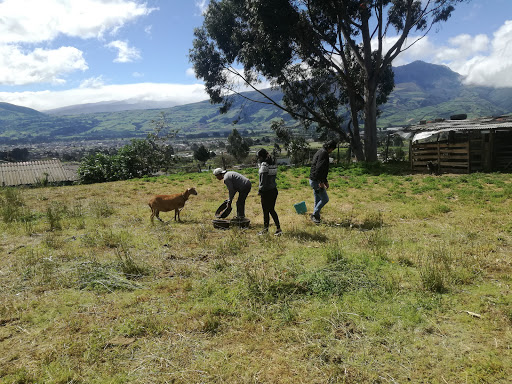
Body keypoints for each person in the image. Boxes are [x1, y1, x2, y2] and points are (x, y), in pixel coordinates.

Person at [309, 139, 337, 223]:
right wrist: (321, 182)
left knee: (317, 198)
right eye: (332, 149)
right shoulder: (324, 154)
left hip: (313, 179)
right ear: (330, 148)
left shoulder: (320, 151)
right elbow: (319, 168)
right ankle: (314, 214)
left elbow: (322, 169)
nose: (332, 151)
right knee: (325, 199)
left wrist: (325, 181)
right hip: (316, 180)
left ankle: (316, 217)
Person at [256, 148, 282, 236]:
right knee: (271, 209)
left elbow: (263, 180)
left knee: (265, 211)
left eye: (258, 157)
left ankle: (265, 229)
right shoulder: (273, 163)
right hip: (273, 190)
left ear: (261, 157)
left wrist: (260, 190)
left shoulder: (264, 165)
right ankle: (278, 228)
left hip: (266, 191)